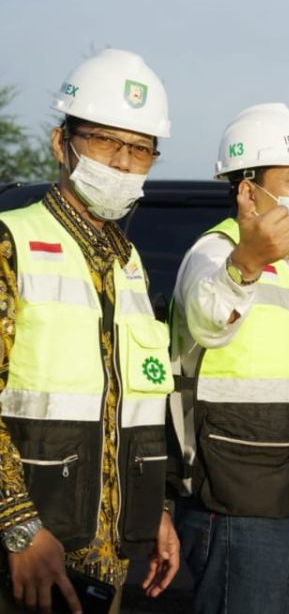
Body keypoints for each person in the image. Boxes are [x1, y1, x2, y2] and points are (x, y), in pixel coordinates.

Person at [0, 49, 180, 613]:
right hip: (31, 551)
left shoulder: (127, 261)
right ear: (62, 143)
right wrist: (18, 529)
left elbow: (133, 401)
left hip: (110, 551)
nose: (123, 162)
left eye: (140, 148)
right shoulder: (12, 243)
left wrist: (155, 511)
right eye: (105, 141)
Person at [170, 103, 289, 613]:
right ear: (248, 191)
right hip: (236, 508)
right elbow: (209, 318)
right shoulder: (215, 253)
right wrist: (246, 264)